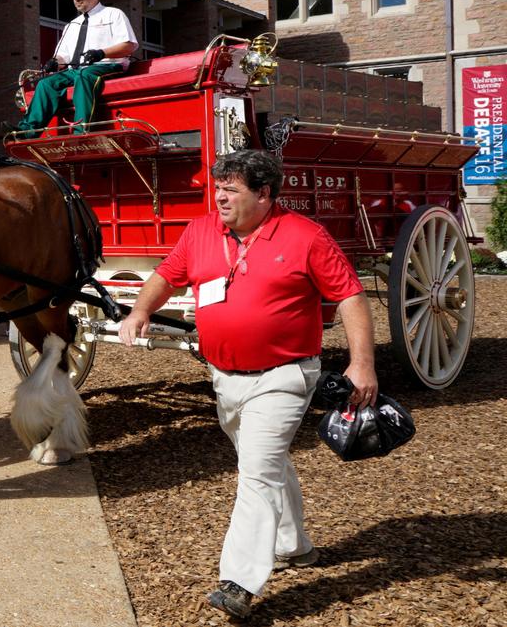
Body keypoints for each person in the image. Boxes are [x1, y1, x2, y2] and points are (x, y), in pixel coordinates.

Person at [118, 149, 378, 620]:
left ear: (265, 194)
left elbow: (351, 297)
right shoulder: (201, 232)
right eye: (217, 188)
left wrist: (362, 365)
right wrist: (140, 310)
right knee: (266, 462)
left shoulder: (305, 236)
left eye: (231, 189)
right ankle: (295, 545)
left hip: (284, 377)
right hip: (224, 379)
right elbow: (166, 275)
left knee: (255, 472)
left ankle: (238, 581)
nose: (219, 197)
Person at [11, 0, 138, 137]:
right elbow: (63, 57)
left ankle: (81, 131)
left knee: (84, 75)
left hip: (107, 66)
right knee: (46, 83)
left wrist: (101, 53)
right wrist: (55, 62)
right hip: (76, 71)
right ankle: (27, 131)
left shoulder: (114, 14)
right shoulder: (71, 25)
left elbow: (129, 46)